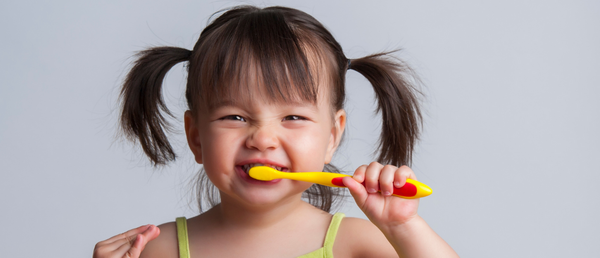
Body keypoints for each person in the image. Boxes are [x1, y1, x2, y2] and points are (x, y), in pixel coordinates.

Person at [93, 5, 458, 258]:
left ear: (332, 136)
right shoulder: (157, 250)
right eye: (234, 117)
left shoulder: (357, 244)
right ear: (196, 137)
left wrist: (404, 228)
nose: (262, 139)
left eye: (293, 117)